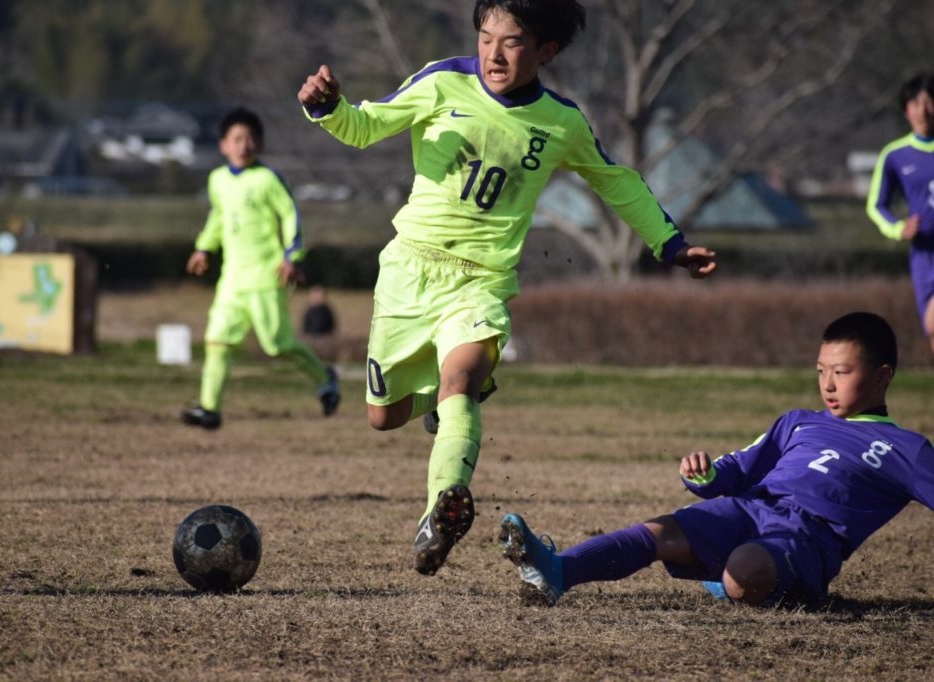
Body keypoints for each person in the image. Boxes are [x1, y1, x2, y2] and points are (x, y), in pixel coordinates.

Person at [298, 0, 717, 576]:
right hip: (408, 271)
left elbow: (617, 182)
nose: (494, 51)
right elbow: (365, 126)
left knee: (462, 381)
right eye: (486, 35)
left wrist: (670, 244)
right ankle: (441, 405)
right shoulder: (441, 81)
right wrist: (328, 107)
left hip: (482, 282)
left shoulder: (561, 122)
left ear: (546, 50)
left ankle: (437, 513)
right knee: (383, 416)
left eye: (512, 41)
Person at [501, 312, 934, 607]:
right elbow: (740, 468)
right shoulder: (799, 422)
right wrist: (706, 476)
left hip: (807, 538)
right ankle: (558, 572)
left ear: (882, 375)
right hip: (751, 509)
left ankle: (739, 582)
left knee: (743, 573)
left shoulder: (908, 450)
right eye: (821, 370)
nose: (828, 384)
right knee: (660, 530)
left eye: (842, 372)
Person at [181, 107, 340, 430]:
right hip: (232, 280)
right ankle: (209, 408)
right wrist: (204, 247)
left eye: (251, 138)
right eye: (237, 139)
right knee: (217, 340)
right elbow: (220, 216)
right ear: (224, 145)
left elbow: (290, 214)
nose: (244, 145)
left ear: (260, 143)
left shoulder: (268, 179)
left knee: (276, 344)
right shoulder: (218, 180)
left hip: (267, 277)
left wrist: (292, 255)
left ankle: (325, 378)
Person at [866, 73, 934, 357]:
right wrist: (898, 228)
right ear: (907, 109)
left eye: (930, 102)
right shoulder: (895, 155)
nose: (924, 110)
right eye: (916, 103)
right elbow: (875, 206)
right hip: (925, 255)